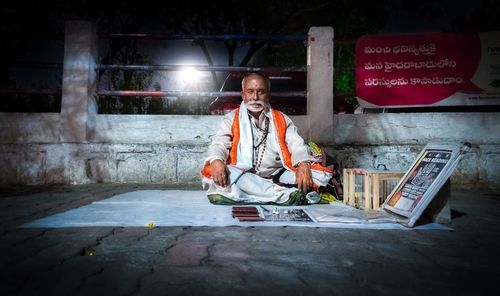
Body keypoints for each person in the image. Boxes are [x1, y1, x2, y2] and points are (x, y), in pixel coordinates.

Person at [201, 73, 332, 205]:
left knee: (316, 176)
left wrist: (303, 164)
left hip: (278, 175)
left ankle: (262, 193)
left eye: (261, 92)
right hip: (245, 175)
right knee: (218, 174)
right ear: (243, 95)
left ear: (268, 95)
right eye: (250, 92)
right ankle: (285, 195)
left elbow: (297, 144)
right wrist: (217, 161)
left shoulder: (281, 119)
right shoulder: (231, 118)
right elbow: (219, 143)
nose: (255, 97)